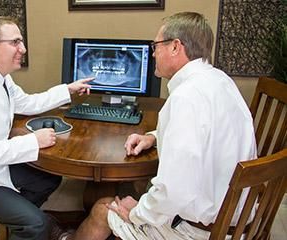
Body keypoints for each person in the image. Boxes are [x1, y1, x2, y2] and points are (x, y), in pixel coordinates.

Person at [62, 12, 257, 240]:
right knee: (142, 185)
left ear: (175, 47)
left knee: (102, 208)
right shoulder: (220, 81)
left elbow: (173, 191)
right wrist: (154, 136)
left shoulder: (186, 97)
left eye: (156, 45)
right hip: (238, 218)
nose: (153, 53)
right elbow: (206, 130)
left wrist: (136, 213)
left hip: (200, 231)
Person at [0, 16, 92, 240]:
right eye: (15, 42)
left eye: (21, 41)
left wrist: (67, 90)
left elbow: (27, 103)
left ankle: (5, 226)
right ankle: (29, 224)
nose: (22, 48)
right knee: (36, 224)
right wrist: (33, 141)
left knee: (49, 179)